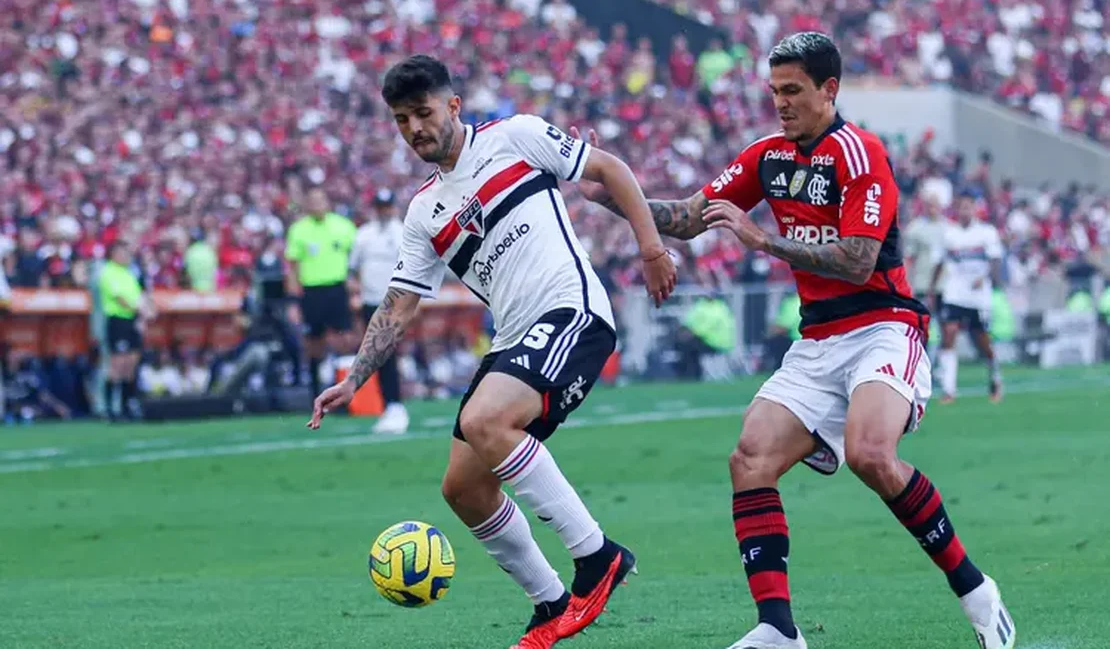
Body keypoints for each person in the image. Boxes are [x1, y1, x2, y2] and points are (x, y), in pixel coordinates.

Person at [575, 32, 1014, 649]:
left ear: (828, 90)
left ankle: (976, 591)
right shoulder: (766, 156)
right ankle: (778, 630)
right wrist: (618, 199)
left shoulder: (860, 156)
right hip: (819, 343)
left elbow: (859, 261)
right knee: (750, 458)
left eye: (793, 91)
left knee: (870, 454)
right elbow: (689, 217)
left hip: (884, 327)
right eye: (774, 91)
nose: (780, 103)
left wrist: (765, 242)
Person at [307, 54, 676, 649]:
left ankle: (597, 556)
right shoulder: (424, 211)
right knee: (463, 488)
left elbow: (608, 168)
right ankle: (550, 602)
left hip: (571, 310)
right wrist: (355, 378)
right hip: (513, 336)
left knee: (485, 419)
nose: (414, 129)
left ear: (453, 105)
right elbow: (398, 304)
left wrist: (651, 247)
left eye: (422, 113)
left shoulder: (515, 138)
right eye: (401, 120)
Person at [928, 191, 1005, 404]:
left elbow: (995, 261)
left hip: (978, 295)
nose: (964, 211)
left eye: (968, 207)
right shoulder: (949, 234)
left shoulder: (986, 233)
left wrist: (986, 277)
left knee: (983, 341)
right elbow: (938, 263)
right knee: (949, 334)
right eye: (961, 207)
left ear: (975, 209)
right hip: (955, 292)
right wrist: (932, 290)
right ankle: (949, 389)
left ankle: (995, 377)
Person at [285, 188, 358, 396]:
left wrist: (355, 289)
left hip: (337, 288)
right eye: (313, 200)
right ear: (307, 204)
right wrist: (293, 301)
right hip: (312, 291)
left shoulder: (344, 227)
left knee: (345, 340)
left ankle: (347, 391)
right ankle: (316, 392)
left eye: (321, 199)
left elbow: (356, 260)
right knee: (313, 343)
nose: (317, 204)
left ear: (328, 202)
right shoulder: (298, 230)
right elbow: (292, 269)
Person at [349, 188, 410, 434]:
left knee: (386, 352)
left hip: (394, 301)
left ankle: (394, 405)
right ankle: (390, 405)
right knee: (377, 353)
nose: (384, 211)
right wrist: (355, 293)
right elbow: (353, 269)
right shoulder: (364, 234)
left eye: (387, 206)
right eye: (380, 206)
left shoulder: (402, 232)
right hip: (370, 301)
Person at [98, 240, 149, 420]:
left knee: (131, 365)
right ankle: (110, 409)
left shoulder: (129, 273)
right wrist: (140, 310)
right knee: (117, 366)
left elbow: (139, 295)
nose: (127, 256)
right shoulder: (109, 272)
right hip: (118, 320)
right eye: (123, 253)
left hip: (132, 321)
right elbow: (119, 298)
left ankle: (128, 406)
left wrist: (144, 311)